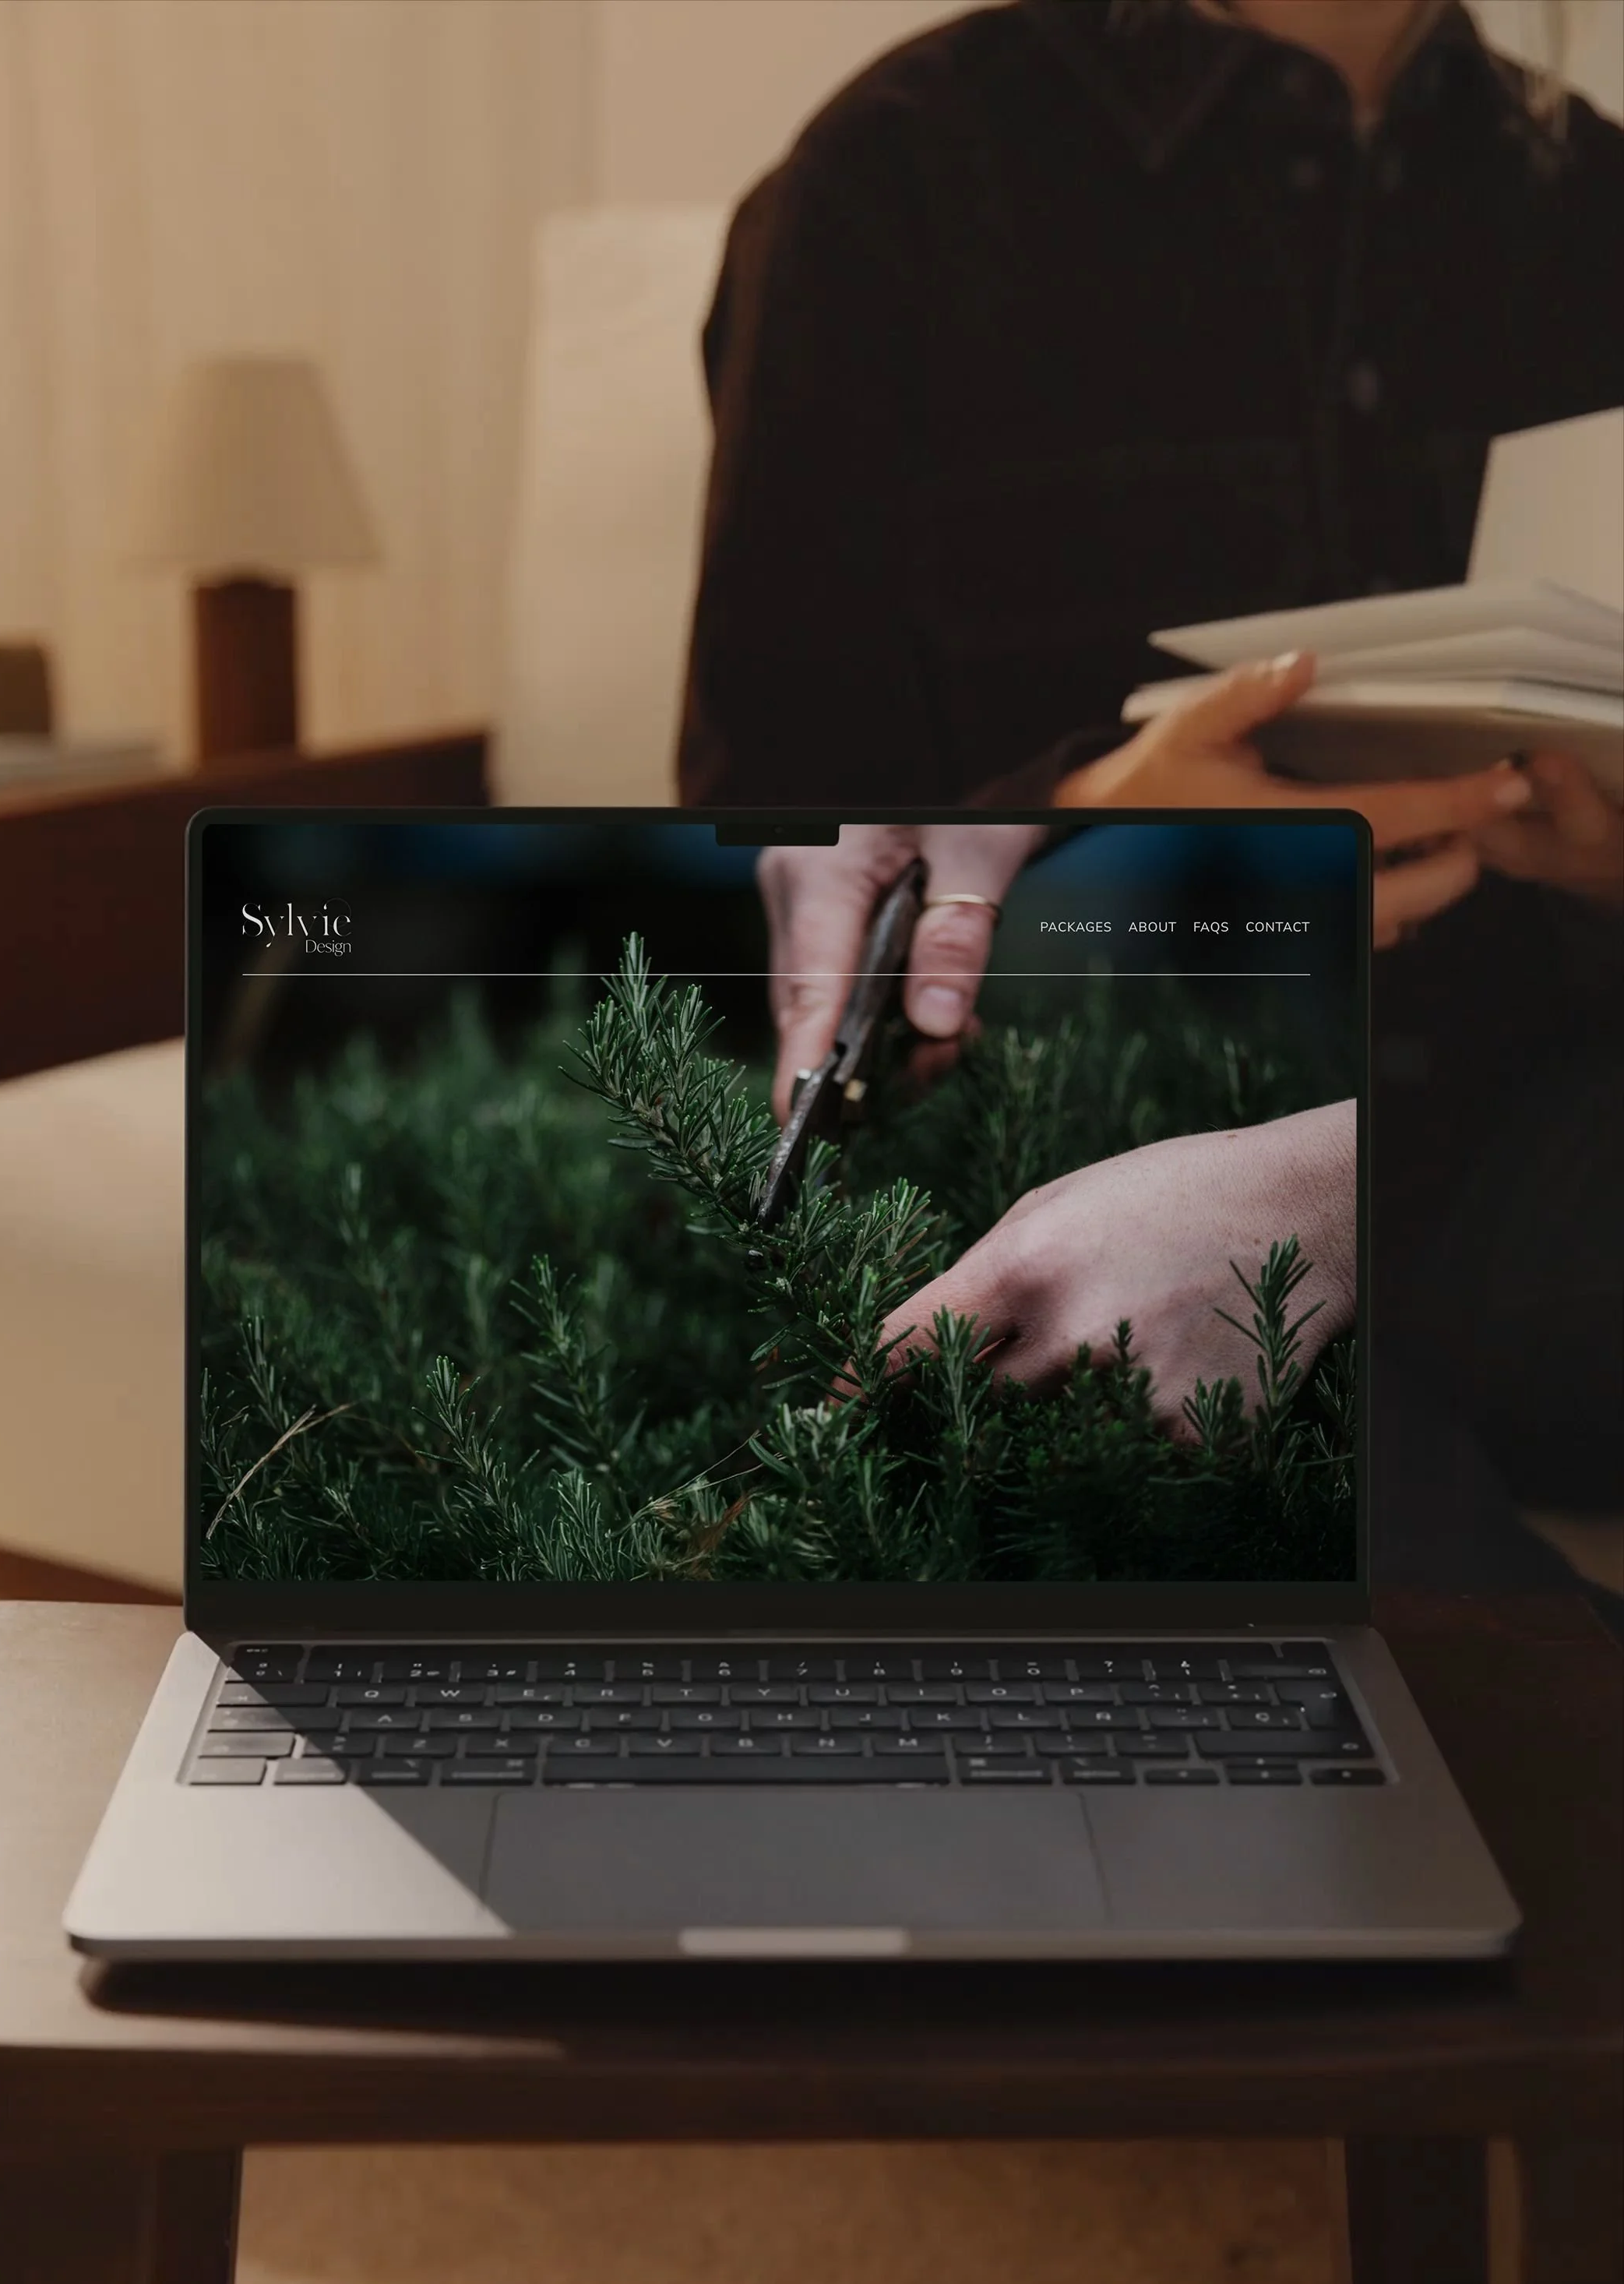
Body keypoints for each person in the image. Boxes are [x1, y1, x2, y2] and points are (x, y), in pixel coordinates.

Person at [685, 0, 1623, 1580]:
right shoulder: (900, 176)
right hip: (1096, 1134)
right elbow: (774, 816)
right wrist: (1095, 811)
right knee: (1398, 1652)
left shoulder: (1593, 204)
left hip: (1536, 1150)